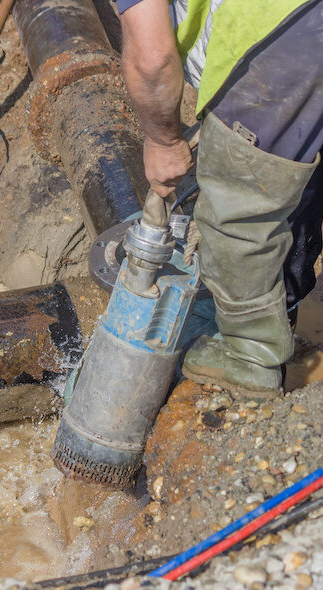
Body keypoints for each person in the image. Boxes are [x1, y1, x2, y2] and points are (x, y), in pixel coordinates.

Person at [113, 0, 323, 402]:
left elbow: (152, 59)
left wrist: (163, 140)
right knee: (298, 175)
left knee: (239, 207)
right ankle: (284, 315)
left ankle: (250, 358)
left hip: (280, 32)